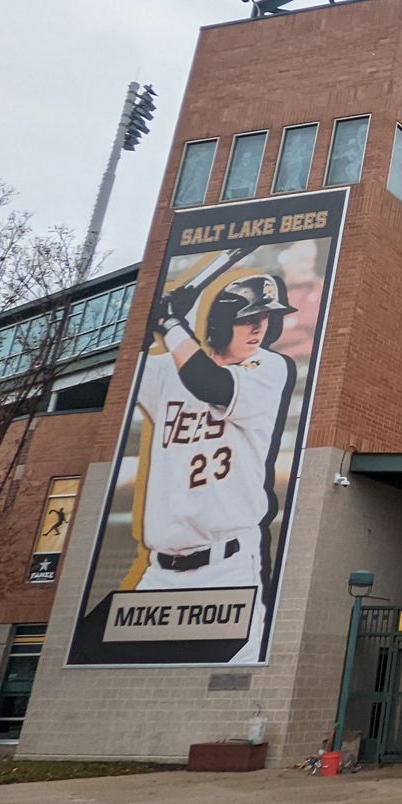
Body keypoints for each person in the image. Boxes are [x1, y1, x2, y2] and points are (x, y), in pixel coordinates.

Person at [134, 273, 299, 663]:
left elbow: (211, 385)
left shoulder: (269, 368)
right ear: (222, 323)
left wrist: (172, 324)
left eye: (266, 318)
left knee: (226, 684)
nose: (260, 326)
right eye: (248, 317)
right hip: (157, 576)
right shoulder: (165, 372)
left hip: (228, 570)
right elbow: (125, 366)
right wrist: (153, 316)